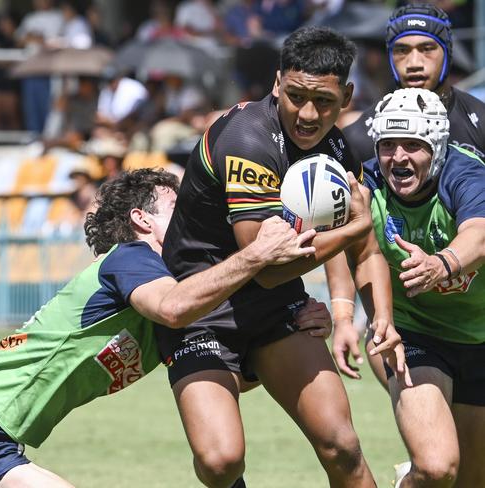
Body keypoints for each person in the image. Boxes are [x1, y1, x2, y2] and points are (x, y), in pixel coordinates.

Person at [0, 168, 325, 488]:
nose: (196, 214)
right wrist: (257, 254)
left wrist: (291, 328)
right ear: (142, 219)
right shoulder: (130, 260)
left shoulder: (170, 292)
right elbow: (173, 307)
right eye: (180, 206)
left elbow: (221, 378)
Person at [155, 26, 406, 488]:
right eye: (295, 96)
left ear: (347, 95)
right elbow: (266, 265)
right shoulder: (247, 141)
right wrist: (355, 225)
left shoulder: (337, 150)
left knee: (342, 445)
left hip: (274, 310)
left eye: (325, 102)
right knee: (220, 461)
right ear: (276, 84)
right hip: (204, 307)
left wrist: (370, 317)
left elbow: (363, 248)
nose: (308, 114)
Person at [327, 3, 485, 385]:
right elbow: (336, 229)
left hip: (475, 307)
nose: (414, 61)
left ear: (446, 52)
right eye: (401, 50)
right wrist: (343, 316)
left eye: (426, 49)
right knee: (433, 442)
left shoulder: (481, 123)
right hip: (408, 322)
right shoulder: (359, 138)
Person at [356, 87, 485, 488]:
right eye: (388, 145)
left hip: (479, 338)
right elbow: (349, 247)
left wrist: (441, 263)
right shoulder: (365, 184)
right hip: (416, 335)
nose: (398, 158)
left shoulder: (464, 173)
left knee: (469, 480)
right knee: (436, 466)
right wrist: (346, 312)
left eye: (413, 145)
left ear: (438, 147)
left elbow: (480, 233)